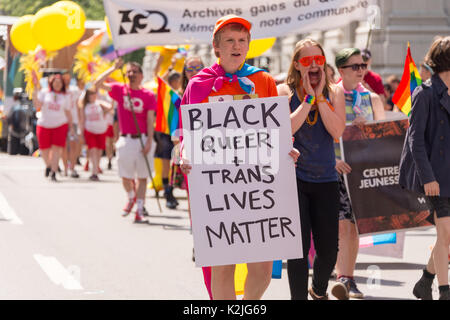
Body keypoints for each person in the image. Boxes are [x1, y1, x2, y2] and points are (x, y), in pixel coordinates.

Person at [179, 15, 299, 300]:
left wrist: (288, 149)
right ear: (217, 47)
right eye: (230, 41)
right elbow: (187, 133)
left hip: (258, 185)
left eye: (242, 40)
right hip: (218, 187)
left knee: (263, 267)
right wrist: (184, 153)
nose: (237, 46)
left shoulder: (264, 81)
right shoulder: (198, 84)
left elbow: (276, 130)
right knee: (223, 266)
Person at [277, 39, 346, 300]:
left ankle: (318, 290)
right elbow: (286, 129)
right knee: (298, 248)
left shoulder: (334, 92)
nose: (314, 65)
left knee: (328, 250)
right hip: (294, 178)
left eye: (318, 59)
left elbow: (337, 131)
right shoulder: (283, 91)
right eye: (307, 61)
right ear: (297, 65)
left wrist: (319, 97)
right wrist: (306, 99)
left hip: (326, 179)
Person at [331, 48, 386, 300]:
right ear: (341, 70)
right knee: (341, 228)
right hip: (335, 170)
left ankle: (347, 277)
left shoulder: (373, 99)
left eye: (362, 66)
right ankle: (341, 275)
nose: (361, 71)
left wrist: (367, 131)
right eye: (354, 66)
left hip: (360, 172)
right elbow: (323, 134)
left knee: (353, 229)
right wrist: (333, 160)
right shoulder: (330, 95)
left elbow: (384, 138)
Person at [399, 36, 450, 300]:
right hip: (435, 178)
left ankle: (425, 281)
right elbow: (415, 140)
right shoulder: (424, 92)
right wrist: (427, 178)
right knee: (445, 235)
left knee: (448, 237)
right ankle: (444, 291)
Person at [94, 60, 156, 223]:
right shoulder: (120, 90)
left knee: (142, 177)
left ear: (141, 75)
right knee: (125, 176)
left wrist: (150, 141)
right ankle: (131, 197)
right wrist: (113, 68)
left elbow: (150, 120)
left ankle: (140, 210)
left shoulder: (148, 95)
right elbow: (97, 84)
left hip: (142, 139)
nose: (131, 75)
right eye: (129, 72)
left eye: (135, 72)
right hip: (126, 139)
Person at [32, 73, 74, 182]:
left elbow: (68, 112)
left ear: (62, 84)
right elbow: (37, 106)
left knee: (57, 149)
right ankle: (49, 165)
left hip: (60, 125)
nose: (57, 84)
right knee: (44, 149)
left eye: (59, 82)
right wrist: (35, 88)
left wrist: (72, 128)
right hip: (44, 124)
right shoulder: (44, 92)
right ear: (51, 83)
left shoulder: (66, 95)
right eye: (55, 82)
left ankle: (54, 172)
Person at [79, 88, 111, 181]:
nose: (93, 96)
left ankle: (96, 168)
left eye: (94, 94)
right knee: (93, 150)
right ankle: (94, 172)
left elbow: (110, 107)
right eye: (90, 94)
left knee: (99, 151)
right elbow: (82, 120)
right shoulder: (84, 106)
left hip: (101, 130)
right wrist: (81, 133)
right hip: (90, 130)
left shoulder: (99, 103)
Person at [61, 71, 83, 178]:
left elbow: (79, 105)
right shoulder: (58, 91)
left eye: (68, 78)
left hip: (73, 121)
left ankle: (73, 168)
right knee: (63, 146)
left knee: (73, 144)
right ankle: (65, 167)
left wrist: (80, 122)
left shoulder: (75, 90)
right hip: (61, 122)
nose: (66, 80)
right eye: (64, 78)